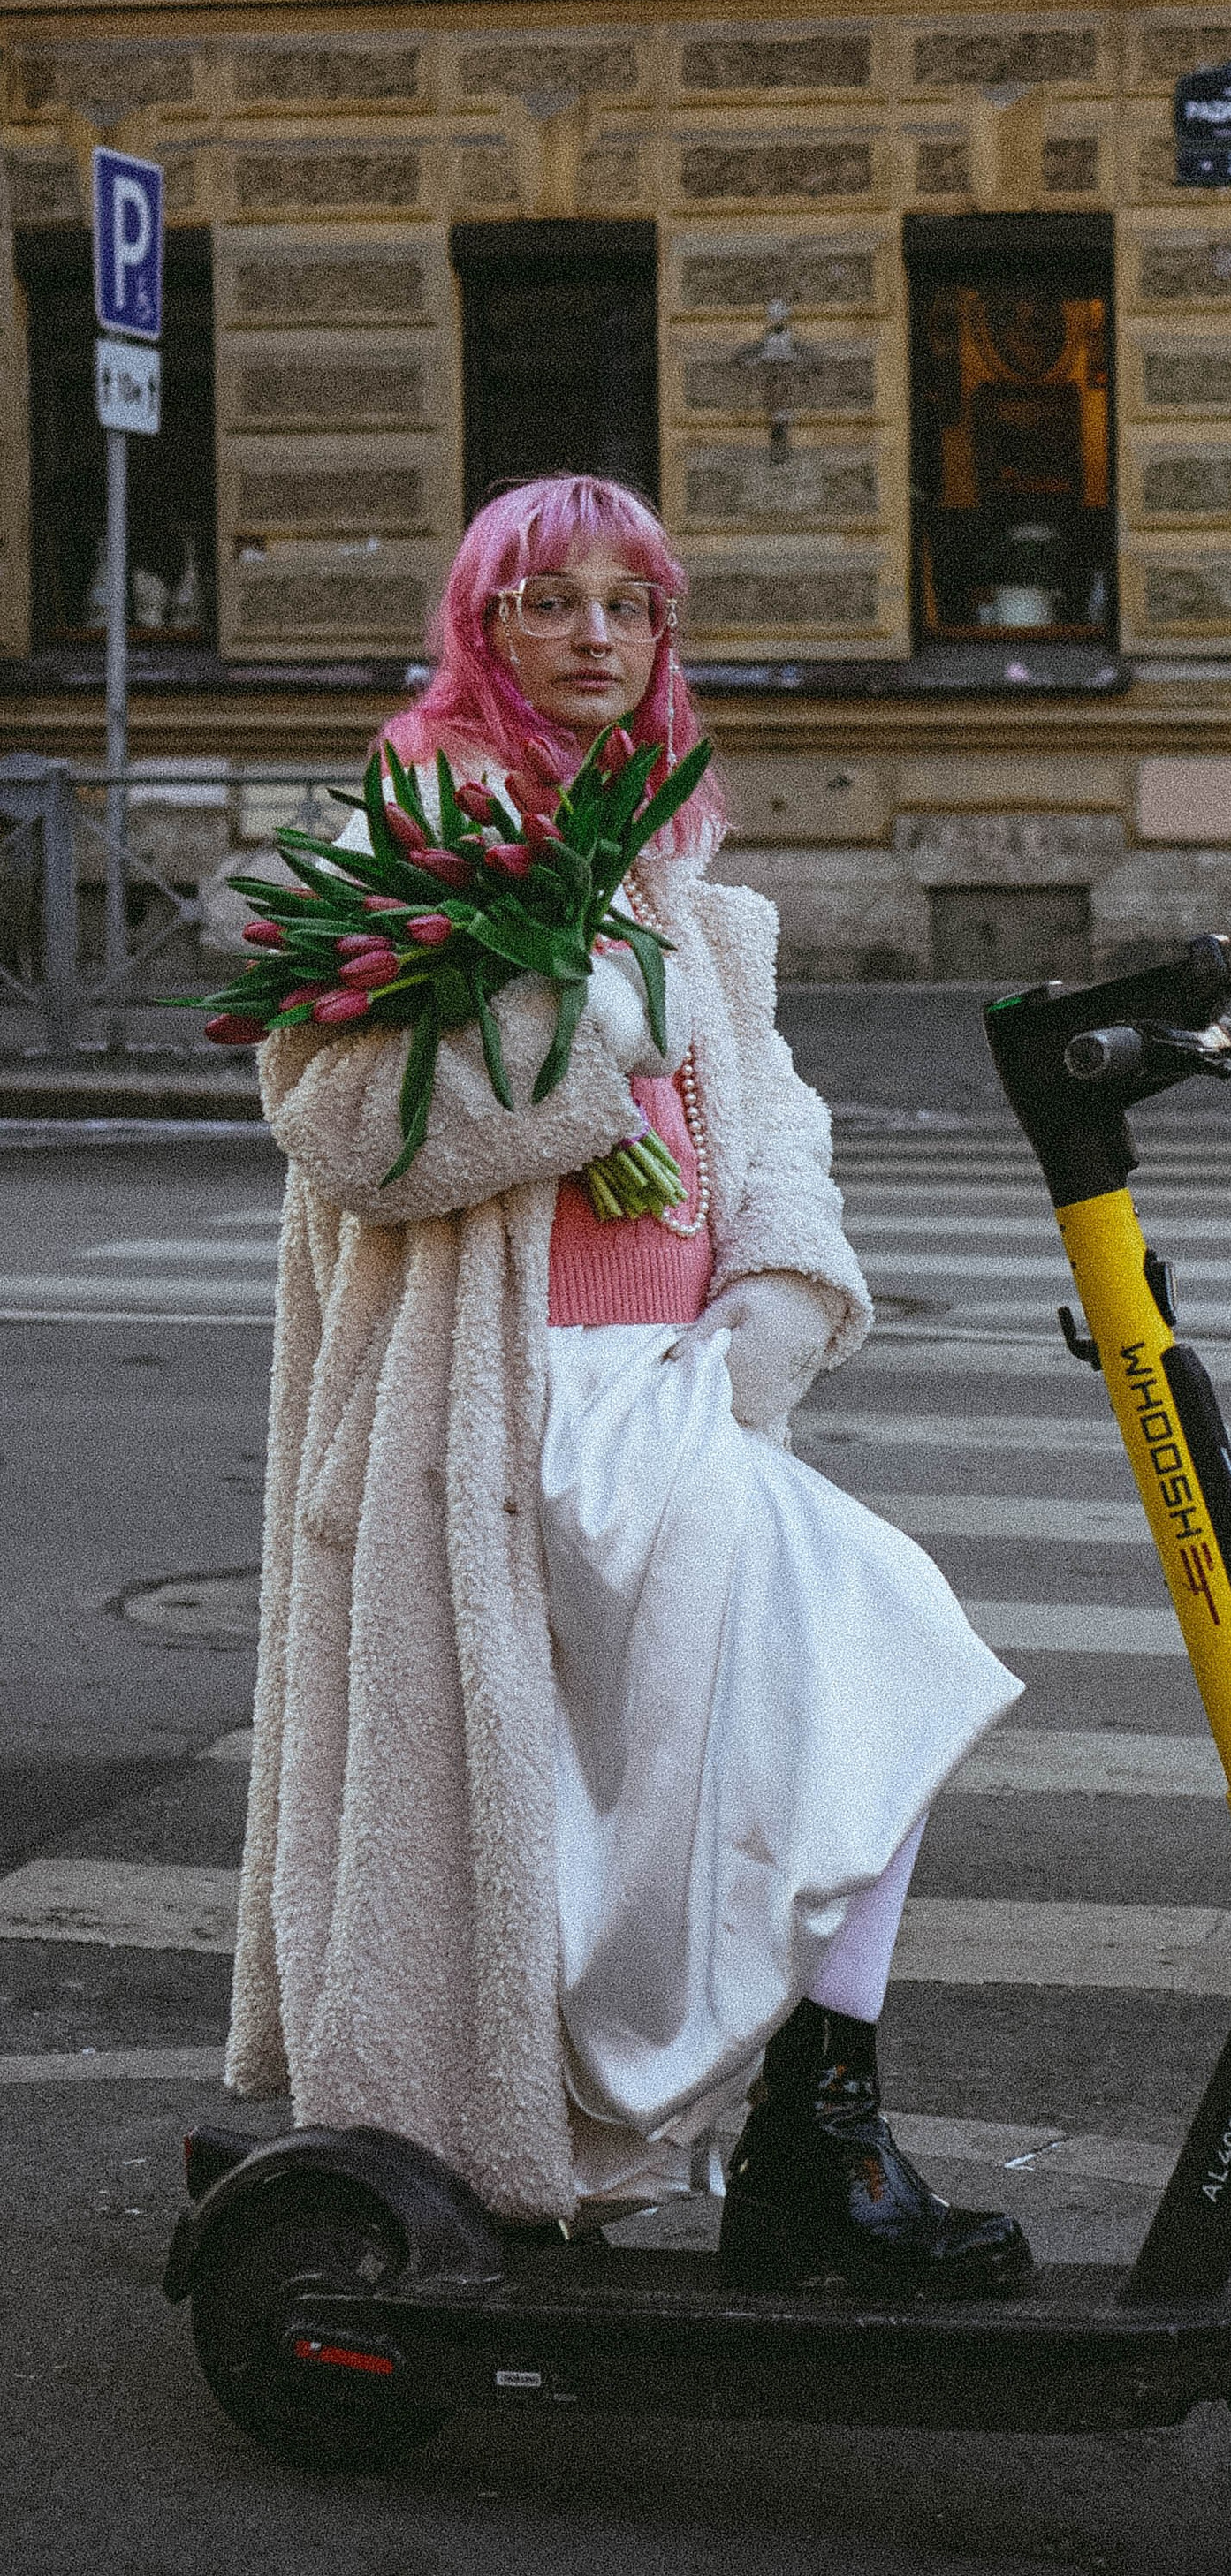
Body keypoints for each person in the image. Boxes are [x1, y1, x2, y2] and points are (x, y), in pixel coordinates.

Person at [225, 474, 1030, 2293]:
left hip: (675, 1385)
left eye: (632, 604)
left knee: (785, 1731)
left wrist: (774, 1289)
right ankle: (778, 2145)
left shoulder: (668, 856)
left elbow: (772, 1115)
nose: (597, 635)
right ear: (482, 625)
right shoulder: (414, 828)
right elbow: (347, 1128)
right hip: (513, 1407)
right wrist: (591, 1030)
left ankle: (811, 2136)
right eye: (551, 601)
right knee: (851, 1655)